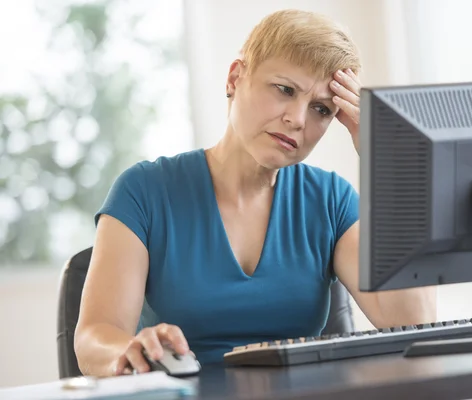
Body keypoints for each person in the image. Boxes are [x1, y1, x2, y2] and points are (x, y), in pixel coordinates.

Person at [74, 9, 437, 377]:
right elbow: (93, 339)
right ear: (236, 77)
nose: (297, 119)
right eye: (285, 90)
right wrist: (129, 349)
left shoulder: (332, 201)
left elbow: (413, 322)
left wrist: (385, 162)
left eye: (321, 109)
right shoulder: (144, 191)